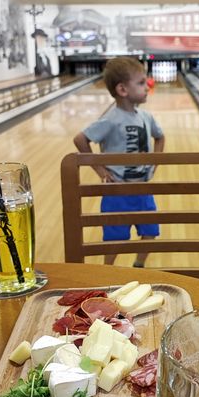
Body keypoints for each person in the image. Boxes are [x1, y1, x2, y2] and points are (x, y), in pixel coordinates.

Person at [73, 57, 165, 267]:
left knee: (151, 231)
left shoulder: (146, 116)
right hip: (116, 192)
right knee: (115, 238)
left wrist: (155, 163)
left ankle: (138, 266)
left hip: (143, 189)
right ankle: (108, 270)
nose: (147, 86)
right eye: (141, 83)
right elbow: (80, 140)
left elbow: (160, 137)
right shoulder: (110, 119)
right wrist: (100, 170)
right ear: (122, 89)